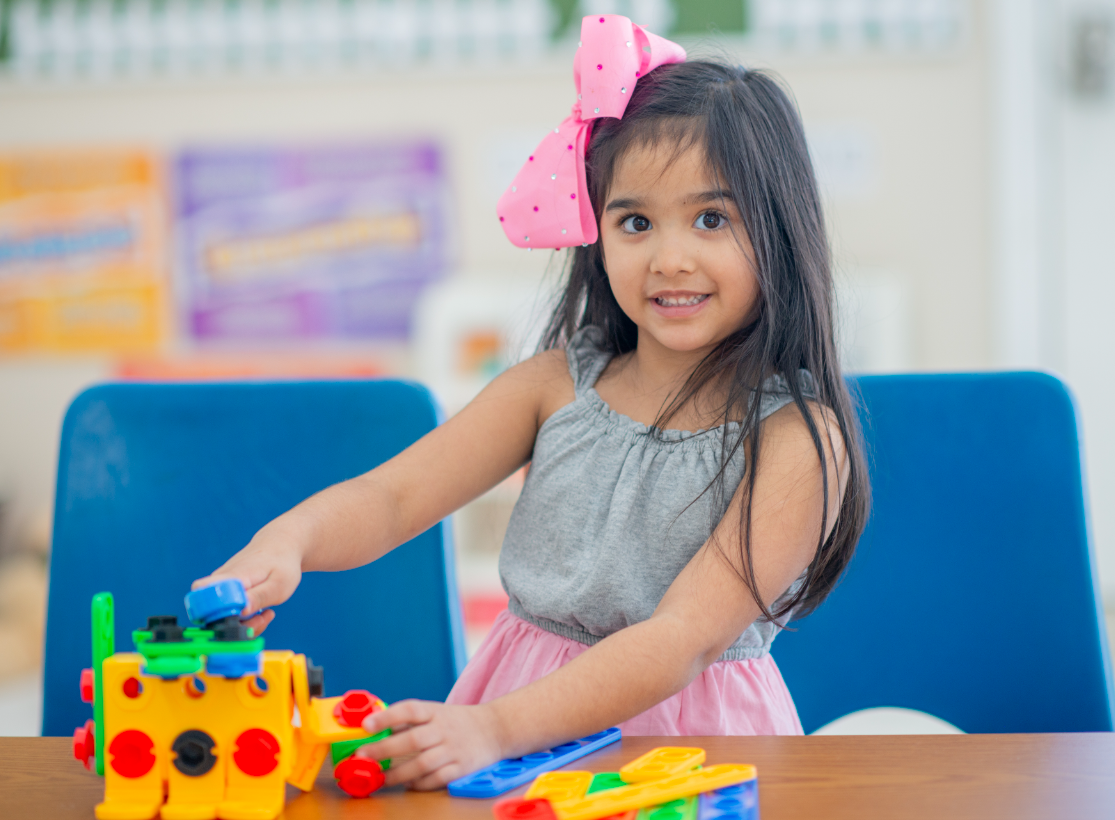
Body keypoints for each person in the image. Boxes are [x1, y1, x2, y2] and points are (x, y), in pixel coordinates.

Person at [194, 16, 870, 791]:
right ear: (597, 235)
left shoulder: (795, 439)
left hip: (686, 747)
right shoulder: (553, 387)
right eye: (634, 221)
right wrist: (289, 543)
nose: (669, 257)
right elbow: (392, 498)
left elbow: (680, 639)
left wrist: (493, 726)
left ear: (780, 233)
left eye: (711, 219)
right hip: (511, 728)